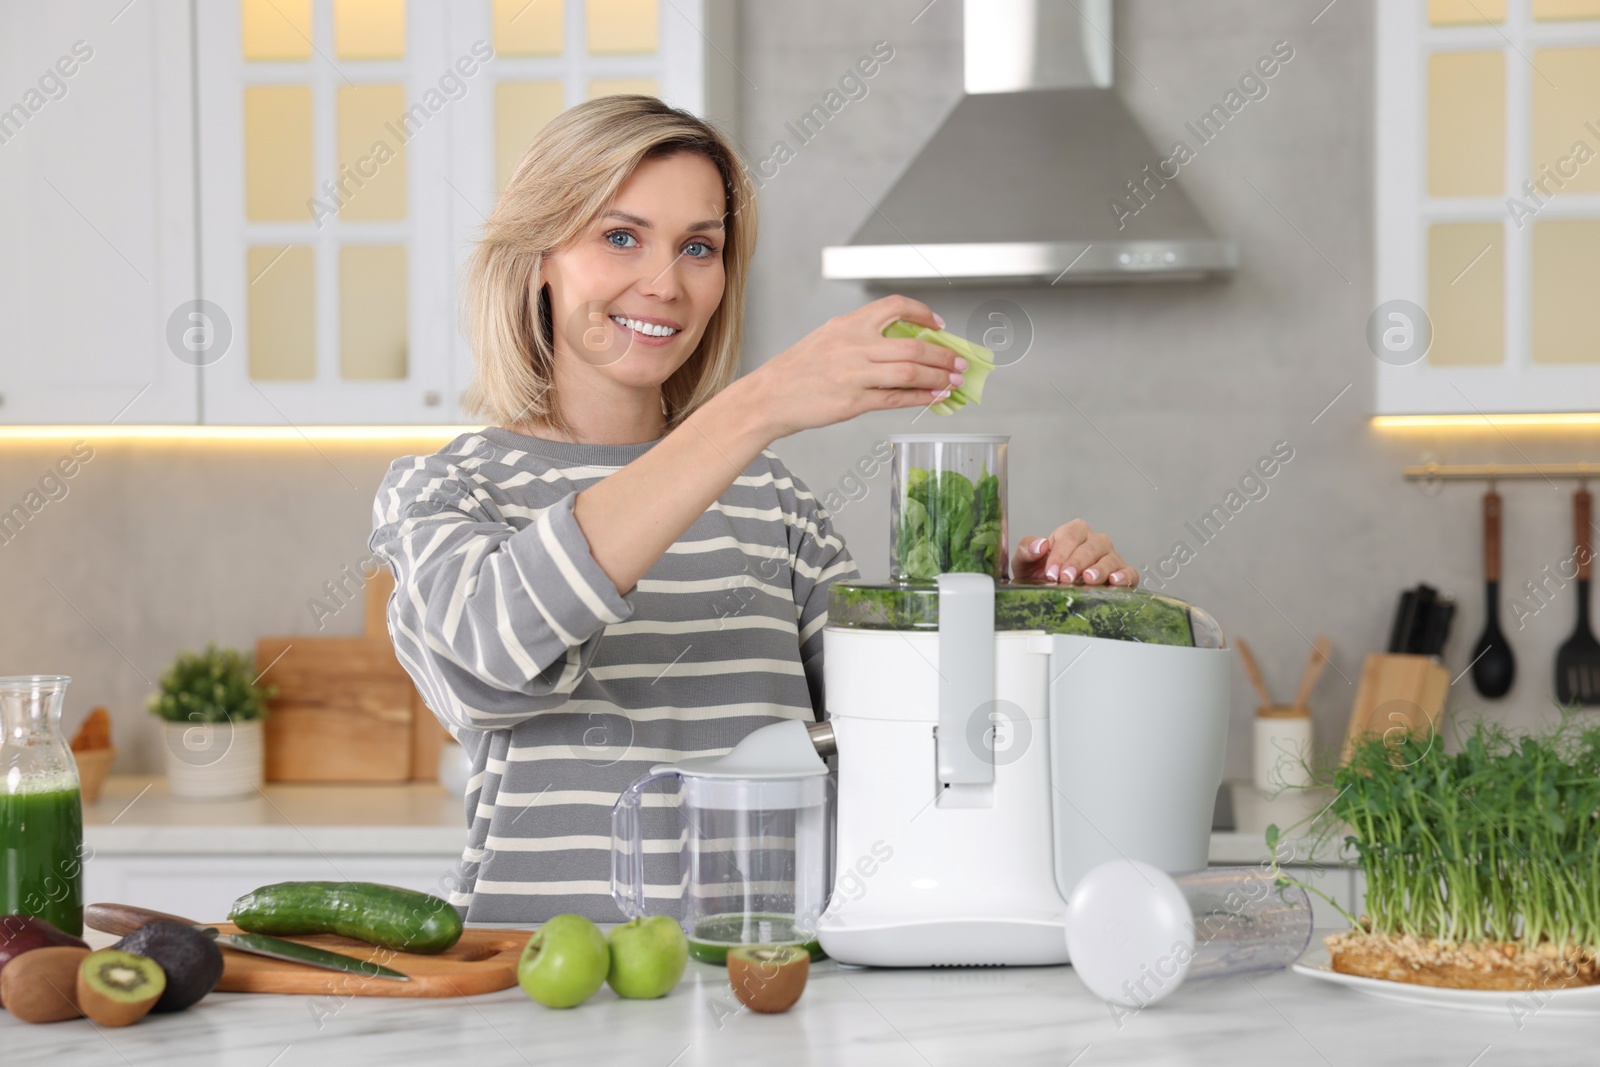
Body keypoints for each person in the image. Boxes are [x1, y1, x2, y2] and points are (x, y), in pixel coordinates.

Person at [369, 95, 1138, 924]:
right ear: (539, 259)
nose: (664, 284)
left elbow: (907, 740)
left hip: (765, 986)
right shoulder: (447, 491)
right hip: (539, 1000)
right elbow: (495, 648)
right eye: (619, 236)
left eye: (698, 247)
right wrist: (757, 405)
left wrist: (1006, 611)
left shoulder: (774, 504)